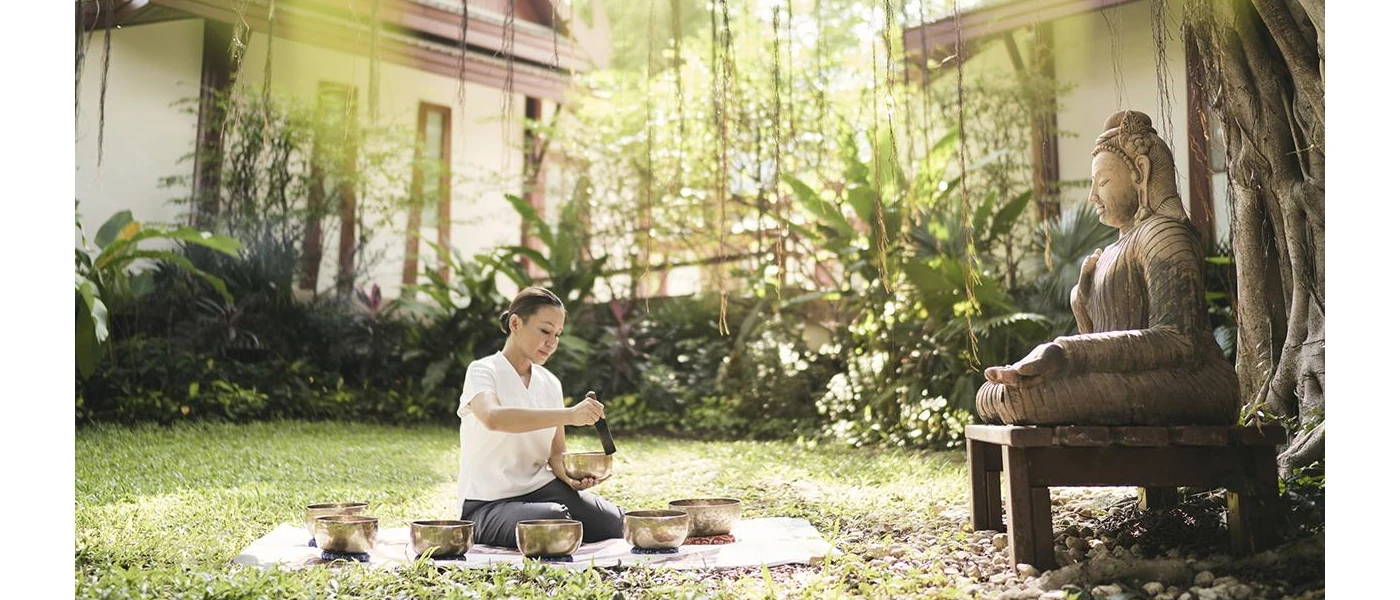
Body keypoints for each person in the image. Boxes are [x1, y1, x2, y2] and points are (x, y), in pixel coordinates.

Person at [976, 110, 1238, 426]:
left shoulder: (1165, 234)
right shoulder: (1113, 250)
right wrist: (1082, 303)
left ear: (1140, 172)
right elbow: (1104, 341)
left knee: (1025, 397)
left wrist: (1065, 351)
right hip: (1141, 378)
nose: (1093, 196)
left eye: (1103, 182)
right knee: (992, 394)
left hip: (1193, 382)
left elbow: (1179, 343)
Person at [456, 286, 624, 548]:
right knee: (554, 521)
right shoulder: (483, 371)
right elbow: (493, 418)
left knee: (615, 522)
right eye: (545, 331)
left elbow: (556, 455)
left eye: (557, 334)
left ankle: (556, 517)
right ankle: (490, 526)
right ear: (515, 323)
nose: (552, 342)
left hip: (542, 490)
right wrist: (569, 415)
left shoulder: (550, 383)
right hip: (488, 502)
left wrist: (571, 477)